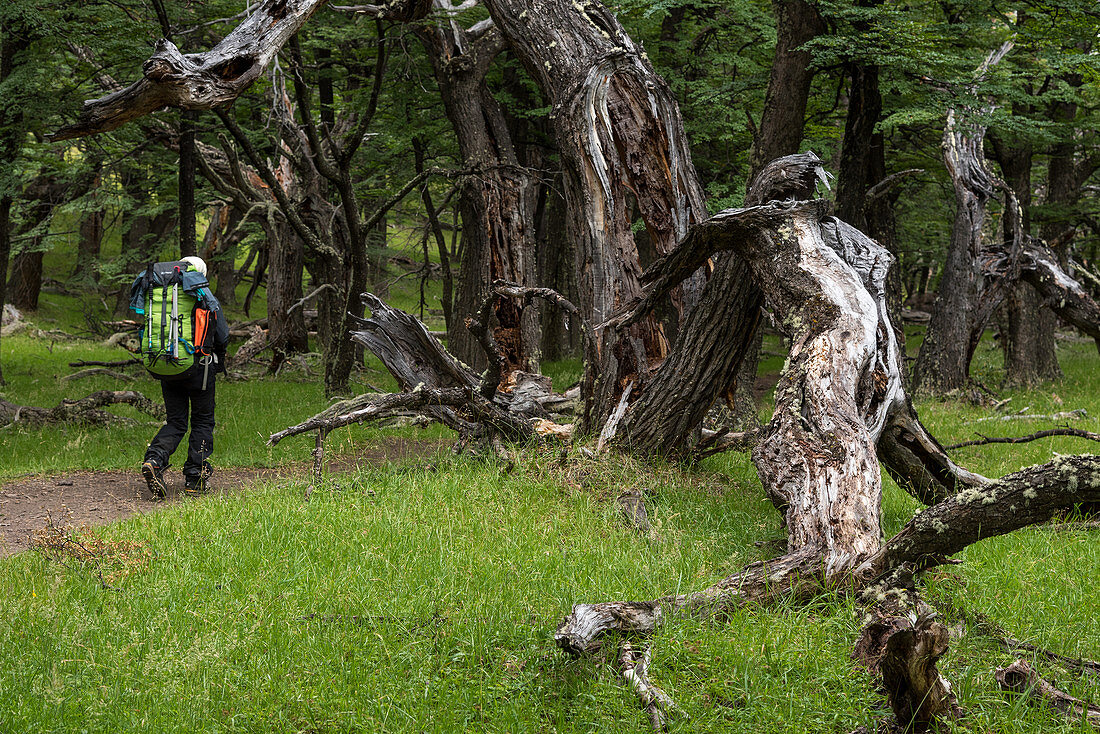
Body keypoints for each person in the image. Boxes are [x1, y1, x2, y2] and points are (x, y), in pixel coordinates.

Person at [137, 256, 229, 497]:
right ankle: (195, 479)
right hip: (200, 368)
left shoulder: (161, 295)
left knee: (176, 421)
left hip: (168, 363)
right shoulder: (202, 293)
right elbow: (222, 334)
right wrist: (220, 358)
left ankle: (155, 460)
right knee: (202, 421)